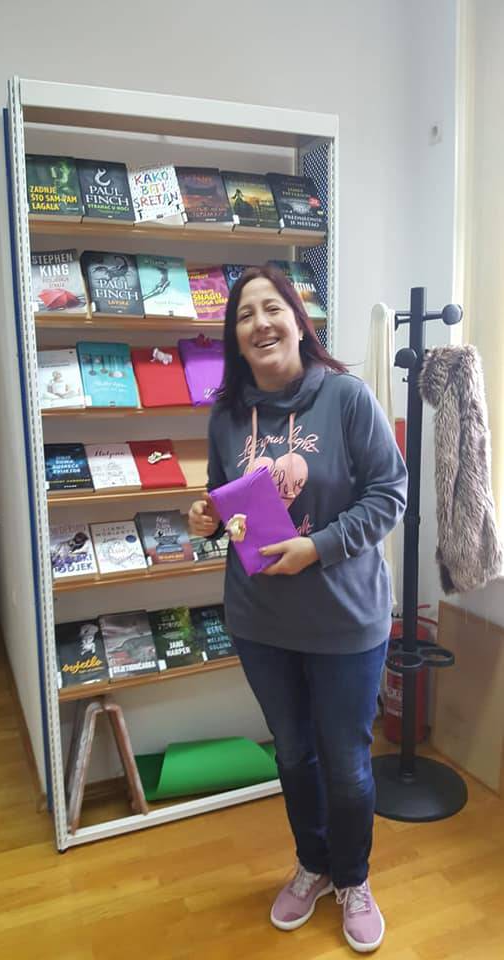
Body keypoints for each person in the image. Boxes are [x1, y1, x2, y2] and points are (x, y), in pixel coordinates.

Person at [188, 265, 407, 954]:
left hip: (346, 621)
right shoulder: (226, 414)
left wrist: (319, 547)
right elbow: (225, 503)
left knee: (346, 763)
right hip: (261, 623)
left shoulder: (347, 397)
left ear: (297, 319)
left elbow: (390, 493)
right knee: (292, 754)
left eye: (272, 307)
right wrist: (206, 519)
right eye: (244, 315)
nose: (260, 323)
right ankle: (313, 864)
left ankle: (354, 878)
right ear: (236, 338)